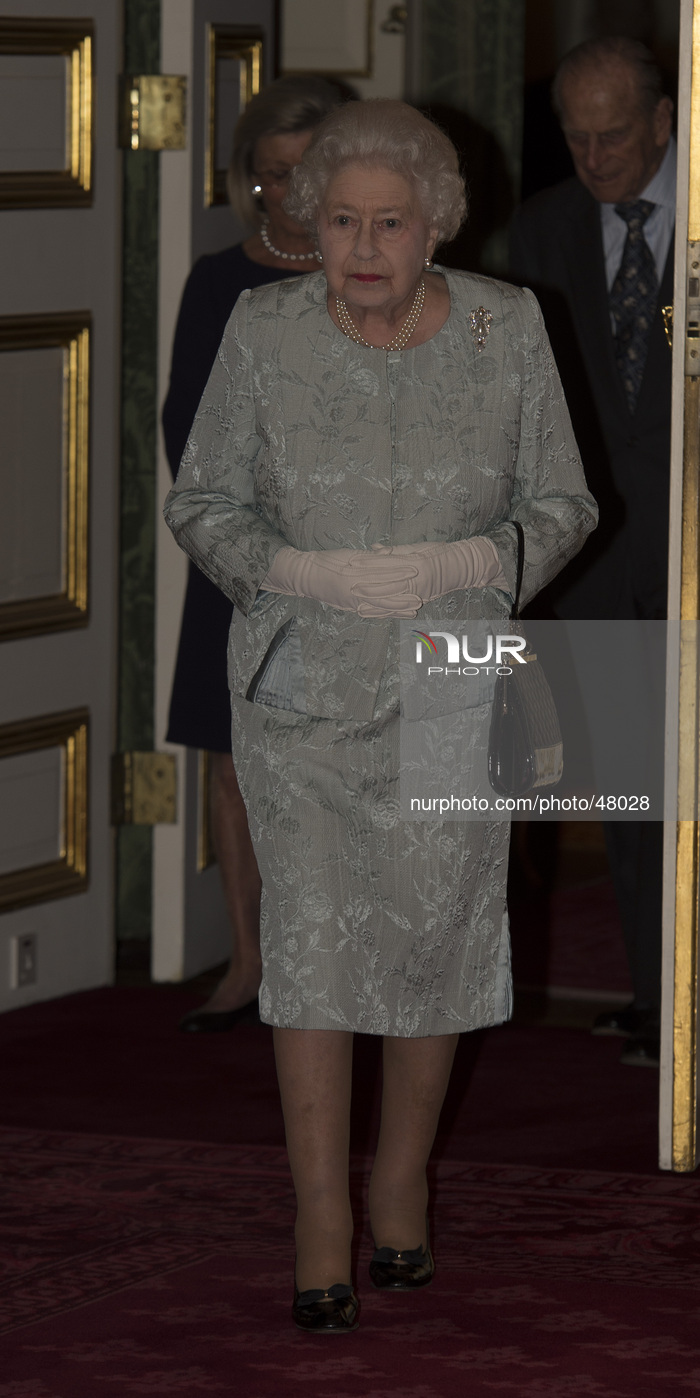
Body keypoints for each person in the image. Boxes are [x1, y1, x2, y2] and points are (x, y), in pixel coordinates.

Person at [164, 99, 597, 1333]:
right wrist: (291, 572)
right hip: (303, 673)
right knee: (309, 943)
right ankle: (316, 1210)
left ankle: (400, 1180)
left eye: (388, 223)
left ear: (436, 225)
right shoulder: (263, 326)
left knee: (435, 936)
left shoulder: (509, 328)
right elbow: (204, 501)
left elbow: (565, 502)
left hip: (458, 659)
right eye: (340, 220)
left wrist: (480, 556)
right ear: (310, 222)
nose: (361, 245)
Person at [509, 37, 675, 1068]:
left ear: (663, 121)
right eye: (575, 134)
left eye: (614, 133)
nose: (595, 154)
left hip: (695, 547)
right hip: (601, 563)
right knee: (630, 802)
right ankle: (663, 1005)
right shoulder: (540, 230)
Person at [164, 76, 341, 1033]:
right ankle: (249, 962)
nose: (289, 193)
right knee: (233, 763)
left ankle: (342, 963)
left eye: (306, 171)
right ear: (250, 180)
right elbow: (185, 425)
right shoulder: (218, 280)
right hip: (236, 558)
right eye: (272, 176)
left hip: (351, 558)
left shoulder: (374, 267)